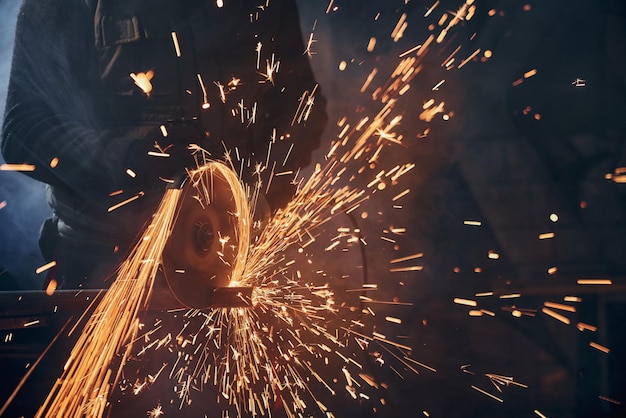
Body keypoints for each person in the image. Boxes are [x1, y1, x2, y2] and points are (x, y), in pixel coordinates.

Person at [1, 0, 327, 289]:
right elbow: (22, 130)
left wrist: (256, 198)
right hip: (105, 266)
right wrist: (129, 160)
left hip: (235, 261)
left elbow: (303, 105)